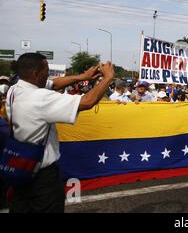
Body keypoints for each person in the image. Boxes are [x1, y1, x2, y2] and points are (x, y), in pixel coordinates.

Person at [5, 53, 114, 213]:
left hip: (20, 167)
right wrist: (107, 78)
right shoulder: (40, 97)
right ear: (36, 74)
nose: (49, 75)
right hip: (42, 177)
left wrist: (83, 76)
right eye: (46, 71)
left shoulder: (14, 89)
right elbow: (87, 102)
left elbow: (54, 84)